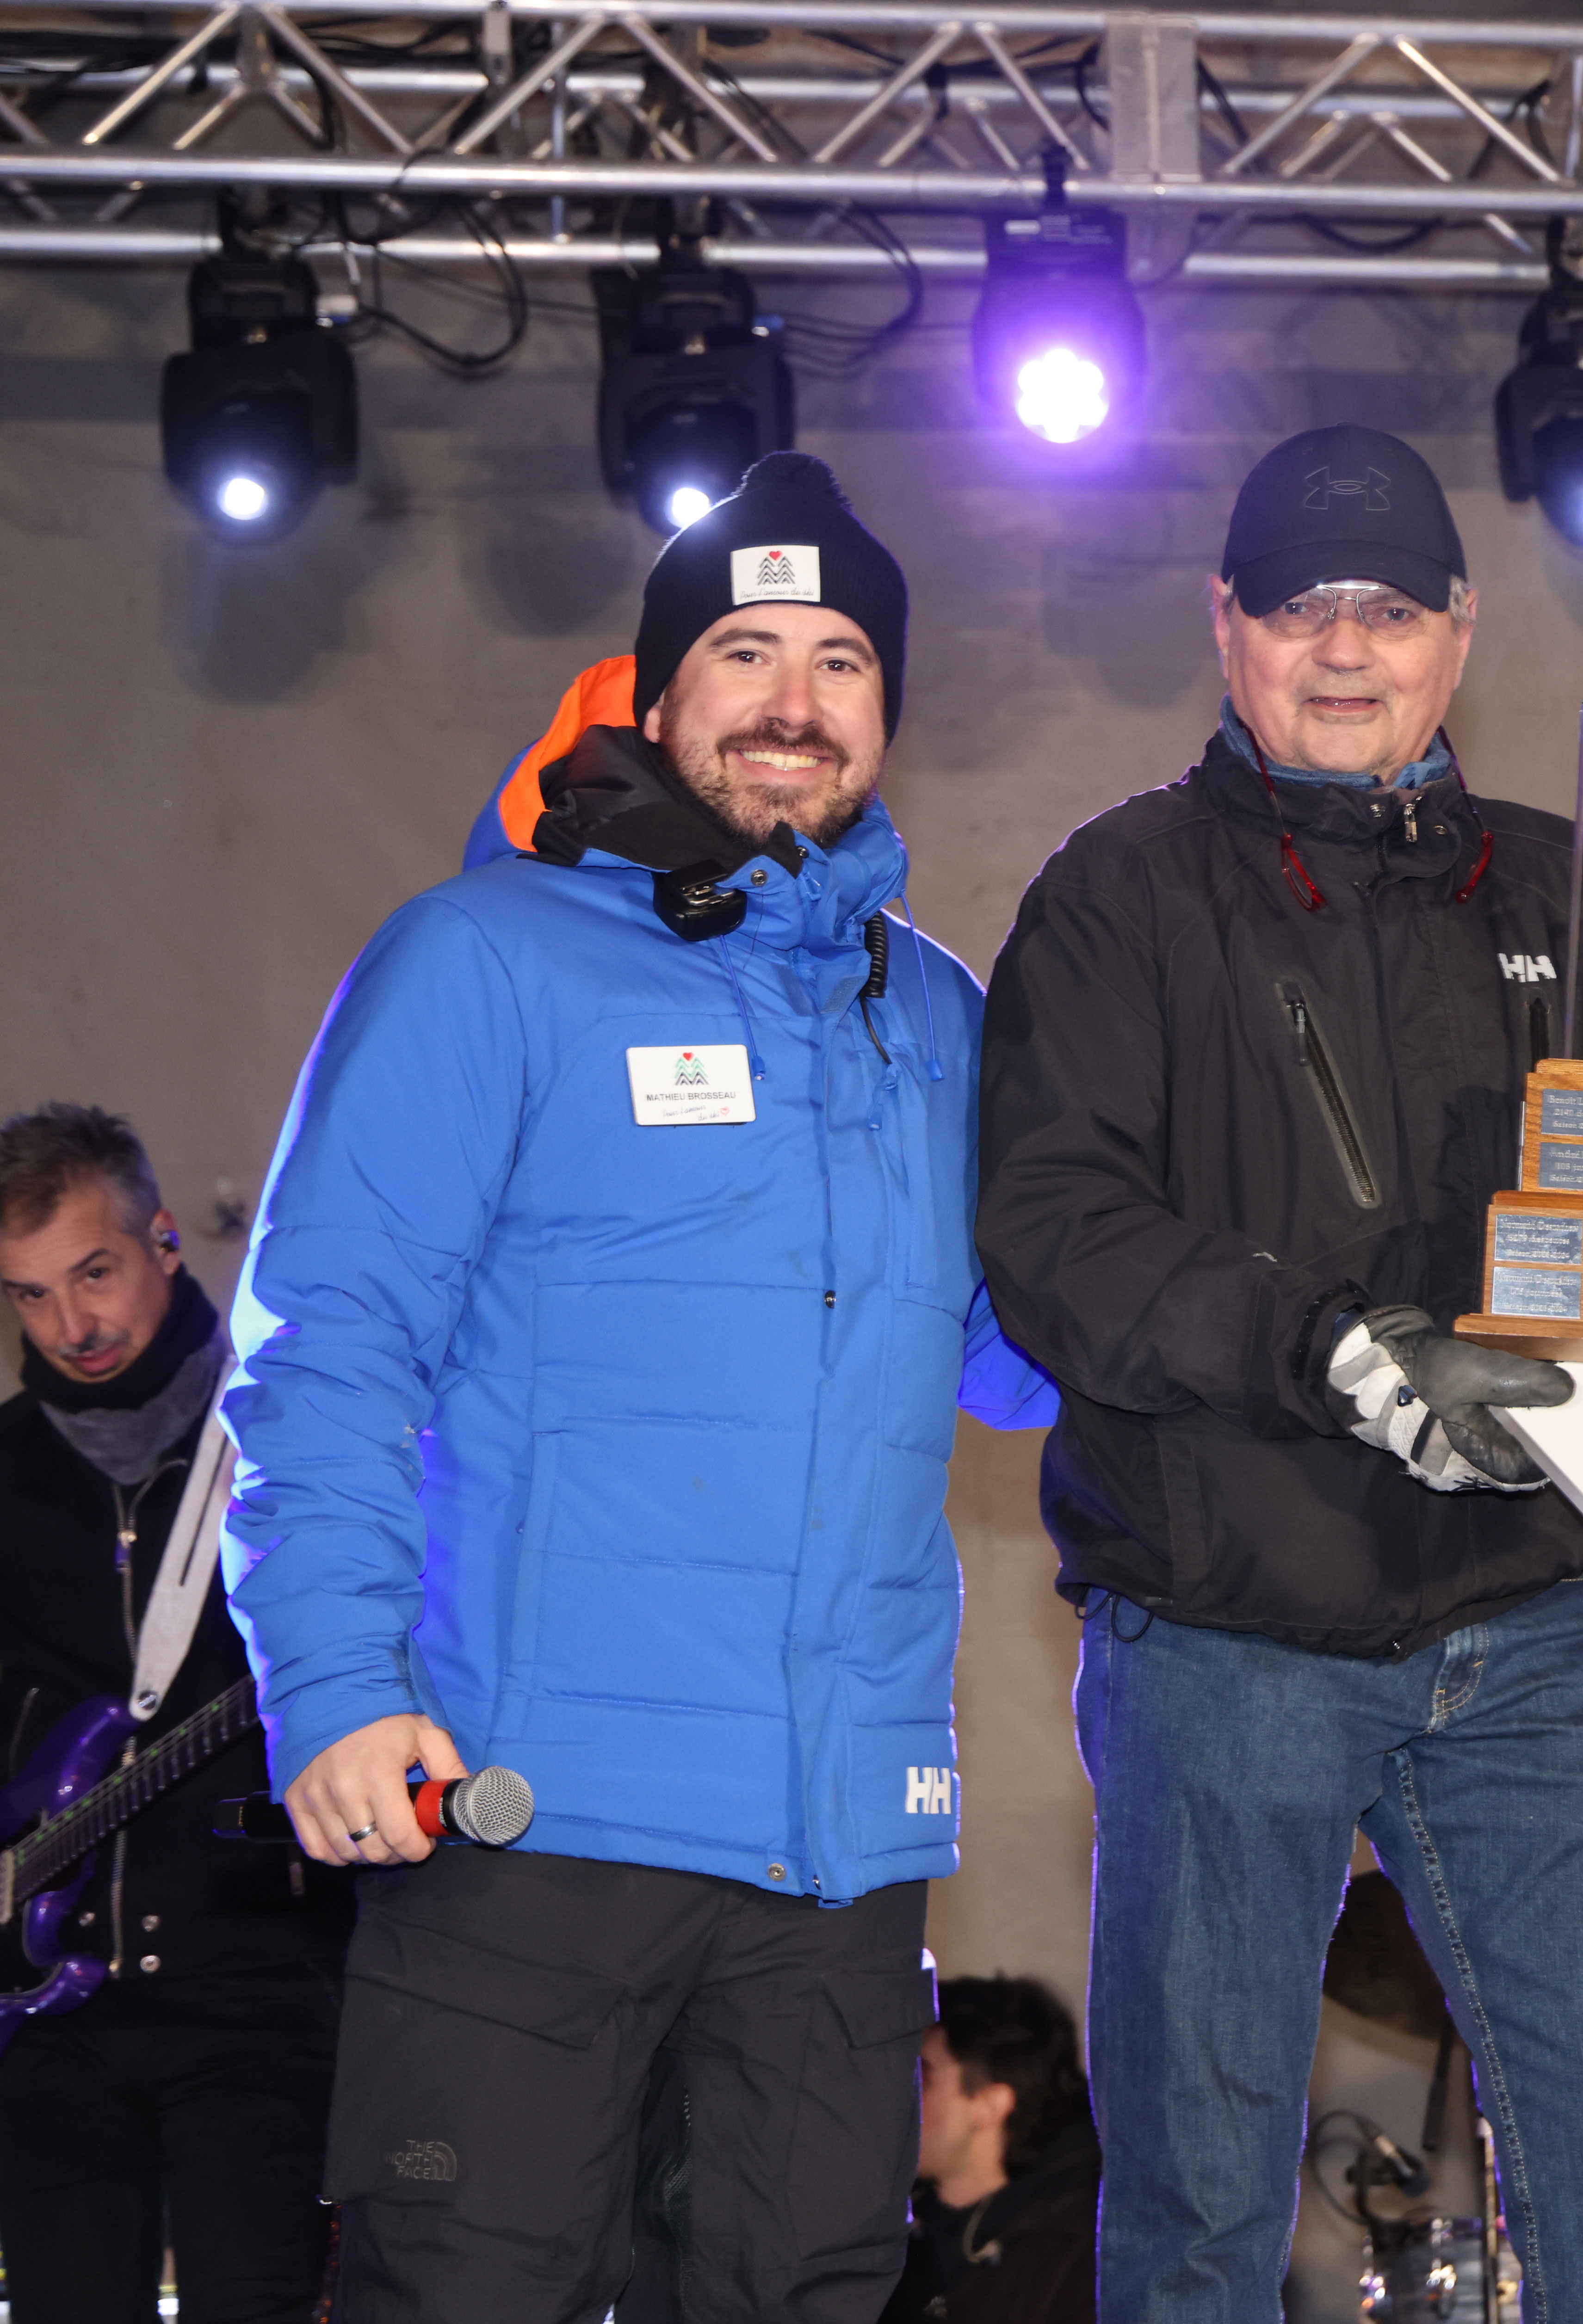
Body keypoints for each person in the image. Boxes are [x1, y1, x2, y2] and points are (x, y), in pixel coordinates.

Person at [221, 450, 1052, 2324]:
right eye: (745, 653)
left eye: (840, 659)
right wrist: (334, 1683)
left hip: (837, 1849)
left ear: (887, 710)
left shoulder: (936, 1017)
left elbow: (1029, 1360)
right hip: (531, 1821)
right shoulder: (483, 955)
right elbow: (328, 1336)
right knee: (466, 2291)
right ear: (660, 693)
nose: (791, 701)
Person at [976, 422, 1583, 2324]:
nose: (1341, 647)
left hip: (1534, 1630)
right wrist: (1329, 1345)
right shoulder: (1118, 892)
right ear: (1223, 625)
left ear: (1459, 633)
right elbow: (1056, 1232)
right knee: (1200, 2207)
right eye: (1299, 606)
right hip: (1223, 1626)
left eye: (1384, 608)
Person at [0, 1106, 352, 2324]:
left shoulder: (284, 1441)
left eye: (92, 1272)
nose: (70, 1325)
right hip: (49, 2014)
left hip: (257, 1990)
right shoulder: (8, 1469)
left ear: (163, 1240)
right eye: (30, 1295)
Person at [881, 1973, 1100, 2324]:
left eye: (922, 2077)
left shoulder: (1075, 2256)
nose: (896, 2097)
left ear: (990, 2105)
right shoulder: (884, 2222)